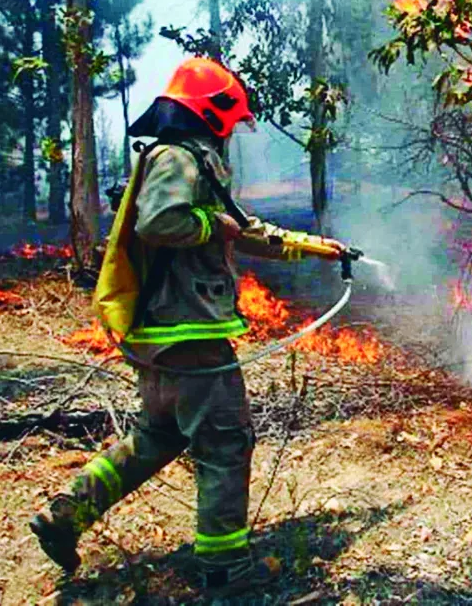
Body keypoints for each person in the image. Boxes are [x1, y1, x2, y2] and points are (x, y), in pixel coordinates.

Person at [29, 57, 345, 596]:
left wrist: (316, 249)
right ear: (212, 111)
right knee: (225, 443)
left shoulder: (191, 158)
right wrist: (210, 223)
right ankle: (225, 570)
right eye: (231, 118)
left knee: (155, 437)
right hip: (188, 332)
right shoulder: (177, 157)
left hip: (162, 336)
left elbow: (240, 230)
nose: (232, 131)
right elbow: (160, 221)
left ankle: (66, 513)